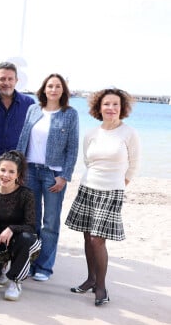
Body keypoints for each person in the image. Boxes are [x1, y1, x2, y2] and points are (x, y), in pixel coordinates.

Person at [65, 88, 140, 307]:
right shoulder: (91, 134)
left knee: (98, 240)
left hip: (112, 192)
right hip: (88, 187)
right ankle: (90, 279)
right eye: (106, 104)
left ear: (122, 108)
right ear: (99, 107)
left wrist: (119, 184)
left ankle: (101, 287)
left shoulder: (129, 133)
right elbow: (88, 162)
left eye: (115, 104)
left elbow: (133, 165)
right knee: (88, 237)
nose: (111, 108)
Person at [16, 73, 79, 282]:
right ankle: (30, 263)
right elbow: (23, 139)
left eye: (58, 86)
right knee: (31, 220)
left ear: (63, 91)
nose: (53, 90)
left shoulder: (70, 114)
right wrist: (17, 168)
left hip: (53, 173)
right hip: (30, 170)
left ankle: (44, 267)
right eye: (50, 86)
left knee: (50, 222)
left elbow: (72, 148)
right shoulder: (33, 109)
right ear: (44, 89)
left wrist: (64, 176)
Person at [0, 150, 41, 301]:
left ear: (18, 174)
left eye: (11, 172)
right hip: (3, 243)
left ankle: (15, 281)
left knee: (24, 238)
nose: (6, 175)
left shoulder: (26, 194)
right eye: (3, 170)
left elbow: (31, 226)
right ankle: (1, 271)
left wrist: (12, 228)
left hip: (26, 242)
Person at [0, 62, 35, 190]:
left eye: (10, 79)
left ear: (16, 80)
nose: (6, 82)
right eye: (2, 79)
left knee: (17, 209)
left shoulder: (29, 104)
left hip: (19, 169)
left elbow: (34, 136)